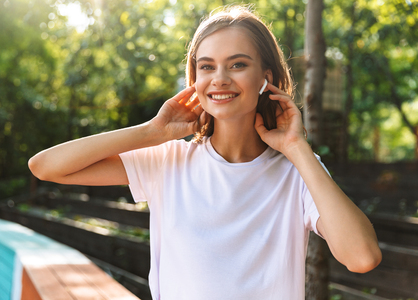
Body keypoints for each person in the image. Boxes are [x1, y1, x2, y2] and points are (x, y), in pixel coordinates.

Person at [29, 5, 382, 300]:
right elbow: (45, 166)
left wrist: (297, 148)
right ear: (194, 78)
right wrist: (150, 132)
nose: (220, 79)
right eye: (207, 66)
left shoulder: (299, 171)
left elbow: (362, 257)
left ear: (265, 77)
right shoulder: (168, 160)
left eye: (238, 64)